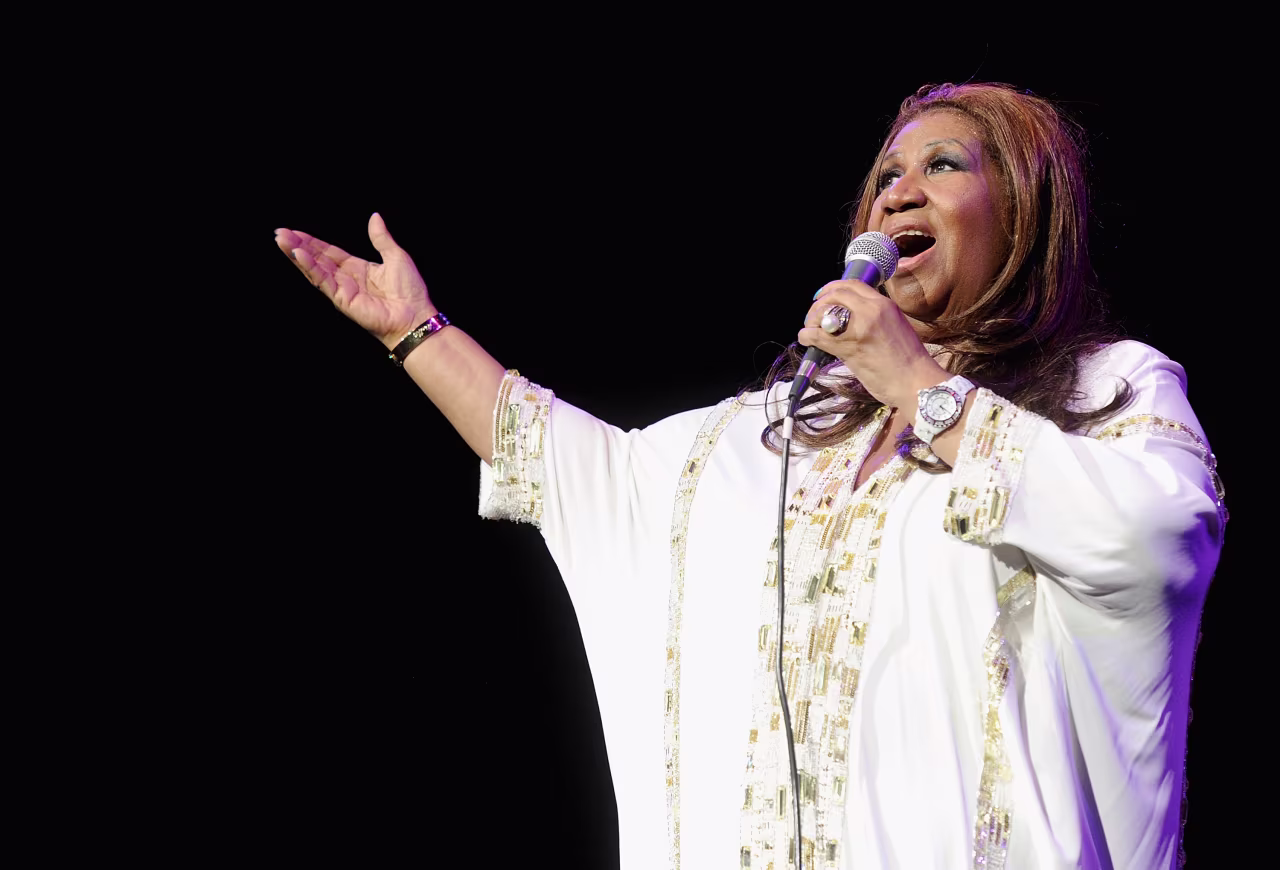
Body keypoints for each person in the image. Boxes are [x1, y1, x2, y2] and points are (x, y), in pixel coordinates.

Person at [274, 83, 1226, 869]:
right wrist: (416, 334)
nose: (898, 194)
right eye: (885, 174)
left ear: (1025, 209)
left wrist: (922, 388)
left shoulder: (1106, 392)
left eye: (943, 166)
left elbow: (1156, 540)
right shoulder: (776, 435)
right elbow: (577, 468)